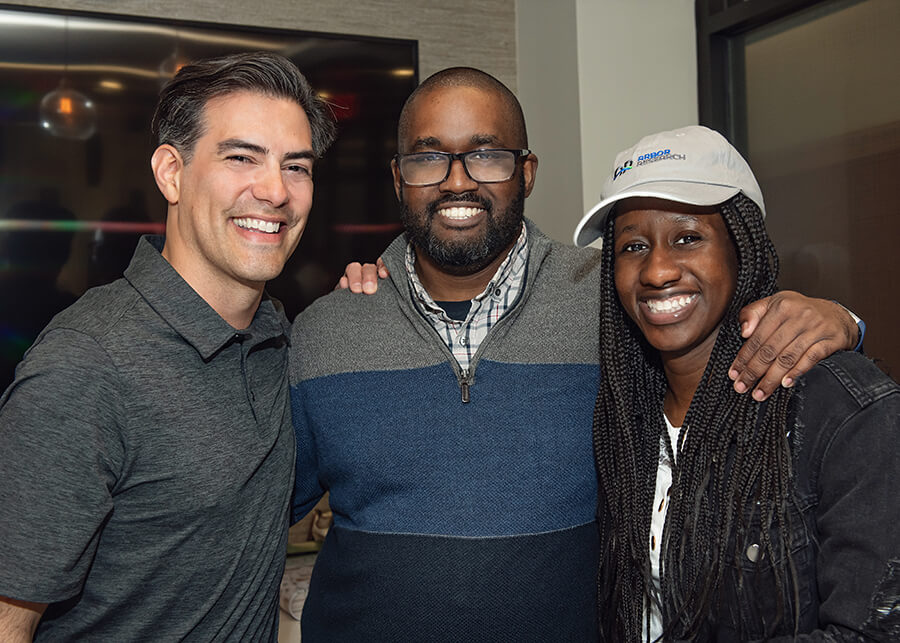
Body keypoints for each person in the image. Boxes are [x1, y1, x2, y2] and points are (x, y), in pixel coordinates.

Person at [292, 68, 861, 640]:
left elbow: (721, 330)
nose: (456, 181)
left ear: (528, 172)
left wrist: (844, 321)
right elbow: (250, 508)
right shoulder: (326, 330)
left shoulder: (616, 304)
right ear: (398, 177)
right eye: (427, 157)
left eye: (487, 155)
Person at [0, 52, 336, 641]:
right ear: (170, 173)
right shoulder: (86, 365)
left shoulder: (278, 336)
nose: (275, 191)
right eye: (241, 158)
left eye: (297, 167)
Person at [573, 125, 900, 641]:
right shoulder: (620, 413)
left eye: (687, 238)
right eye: (633, 246)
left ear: (740, 248)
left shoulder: (839, 408)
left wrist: (848, 321)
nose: (657, 270)